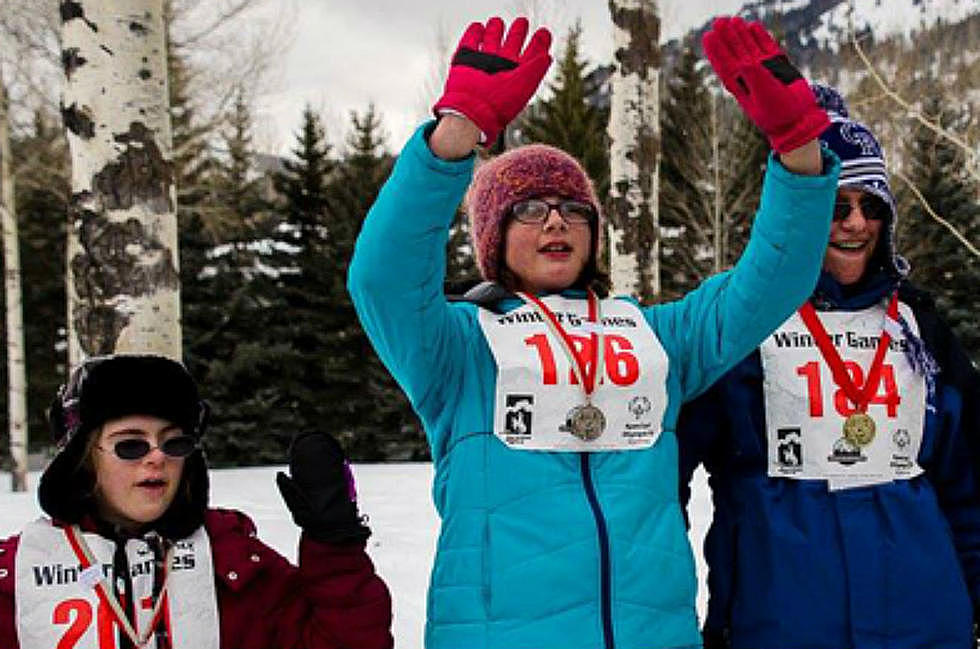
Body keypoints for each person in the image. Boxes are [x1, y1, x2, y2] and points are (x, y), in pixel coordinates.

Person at [348, 14, 840, 649]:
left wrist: (798, 148)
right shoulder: (458, 349)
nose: (555, 219)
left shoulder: (655, 338)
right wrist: (456, 134)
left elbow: (773, 283)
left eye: (572, 208)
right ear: (493, 236)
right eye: (528, 208)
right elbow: (382, 279)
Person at [677, 85, 980, 649]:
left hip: (924, 621)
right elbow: (661, 484)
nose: (856, 224)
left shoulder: (917, 322)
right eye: (837, 207)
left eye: (872, 206)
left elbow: (966, 479)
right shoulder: (740, 320)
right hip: (780, 623)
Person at [0, 353, 393, 649]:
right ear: (82, 457)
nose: (157, 457)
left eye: (176, 442)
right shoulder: (19, 570)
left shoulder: (232, 559)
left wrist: (335, 546)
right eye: (131, 445)